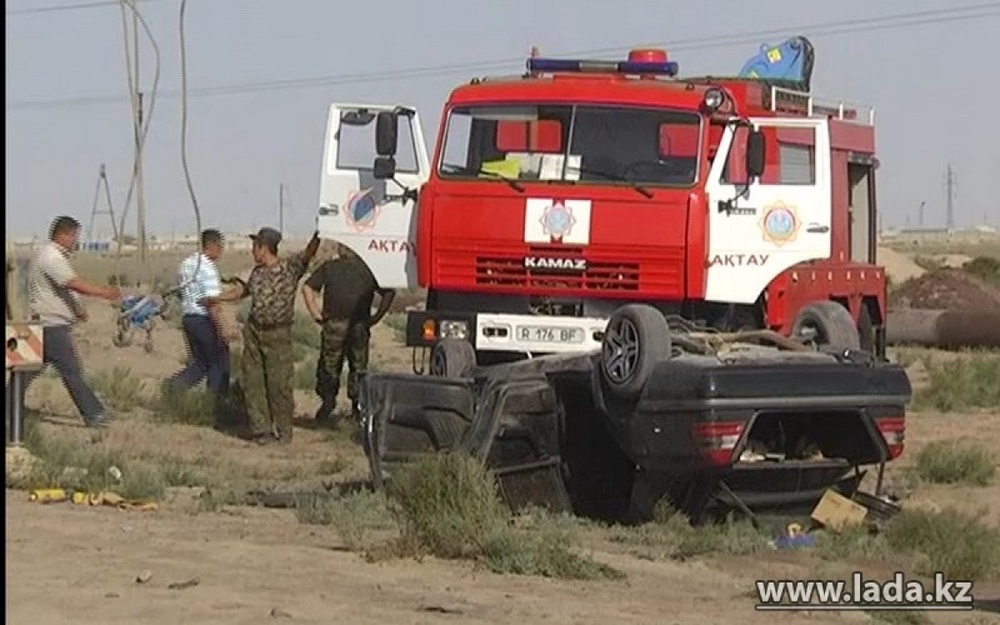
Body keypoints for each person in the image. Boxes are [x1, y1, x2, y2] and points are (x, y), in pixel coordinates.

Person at [15, 216, 121, 428]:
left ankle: (11, 407)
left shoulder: (52, 256)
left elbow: (63, 290)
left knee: (26, 372)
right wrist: (104, 292)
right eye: (74, 236)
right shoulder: (52, 257)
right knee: (71, 371)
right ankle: (93, 414)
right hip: (51, 326)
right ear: (64, 235)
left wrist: (77, 310)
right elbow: (73, 284)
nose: (76, 241)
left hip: (45, 324)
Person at [232, 227, 320, 445]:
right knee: (253, 382)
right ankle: (261, 431)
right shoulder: (257, 273)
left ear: (264, 248)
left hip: (278, 334)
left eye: (255, 247)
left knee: (279, 384)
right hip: (254, 331)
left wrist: (319, 233)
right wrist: (216, 297)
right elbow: (242, 292)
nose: (253, 251)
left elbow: (308, 253)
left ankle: (284, 432)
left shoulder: (289, 268)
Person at [302, 243, 395, 427]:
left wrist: (315, 313)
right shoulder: (368, 269)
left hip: (335, 324)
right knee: (358, 366)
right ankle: (357, 407)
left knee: (329, 365)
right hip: (359, 325)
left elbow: (307, 288)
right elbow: (389, 292)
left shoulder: (330, 267)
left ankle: (328, 403)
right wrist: (377, 316)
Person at [164, 229, 240, 400]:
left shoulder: (187, 264)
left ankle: (173, 388)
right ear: (212, 245)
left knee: (200, 363)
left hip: (189, 318)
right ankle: (216, 404)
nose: (221, 251)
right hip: (204, 319)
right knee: (219, 362)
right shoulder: (207, 268)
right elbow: (211, 302)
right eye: (220, 247)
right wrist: (223, 328)